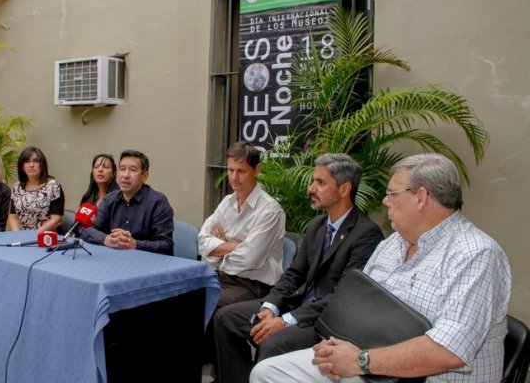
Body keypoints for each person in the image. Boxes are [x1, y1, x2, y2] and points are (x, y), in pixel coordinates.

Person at [250, 153, 512, 383]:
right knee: (266, 373)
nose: (385, 202)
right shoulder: (392, 244)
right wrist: (336, 347)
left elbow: (449, 351)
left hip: (422, 377)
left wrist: (360, 361)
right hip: (369, 366)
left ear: (421, 197)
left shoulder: (475, 255)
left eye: (392, 194)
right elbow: (356, 305)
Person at [214, 153, 384, 383]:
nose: (311, 189)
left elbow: (344, 296)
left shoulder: (366, 234)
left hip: (327, 320)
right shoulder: (317, 225)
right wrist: (271, 307)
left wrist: (285, 321)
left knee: (273, 341)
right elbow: (294, 274)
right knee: (227, 319)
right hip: (297, 305)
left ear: (344, 189)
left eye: (320, 183)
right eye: (314, 181)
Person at [199, 141, 286, 307]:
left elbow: (247, 260)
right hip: (223, 277)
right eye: (230, 170)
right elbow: (202, 241)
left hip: (254, 285)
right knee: (180, 293)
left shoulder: (270, 210)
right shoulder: (226, 202)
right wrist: (233, 246)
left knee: (202, 302)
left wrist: (217, 251)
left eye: (241, 171)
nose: (234, 177)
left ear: (257, 170)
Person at [79, 149, 174, 255]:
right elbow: (86, 230)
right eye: (122, 169)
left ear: (145, 176)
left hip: (146, 264)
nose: (125, 175)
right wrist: (106, 239)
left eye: (133, 170)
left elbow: (166, 245)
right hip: (113, 261)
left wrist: (134, 244)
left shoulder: (158, 202)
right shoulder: (109, 199)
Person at [8, 146, 65, 231]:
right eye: (27, 161)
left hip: (45, 238)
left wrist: (36, 235)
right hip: (21, 238)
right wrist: (17, 236)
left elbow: (57, 219)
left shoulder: (53, 186)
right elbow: (13, 218)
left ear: (42, 165)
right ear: (22, 167)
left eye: (35, 161)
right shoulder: (17, 187)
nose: (31, 165)